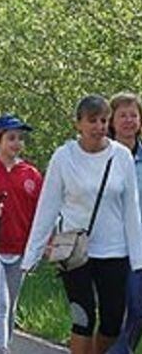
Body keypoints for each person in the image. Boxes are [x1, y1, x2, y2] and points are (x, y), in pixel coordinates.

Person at [22, 95, 142, 354]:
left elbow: (132, 211)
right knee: (83, 317)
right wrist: (31, 254)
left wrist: (138, 259)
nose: (99, 127)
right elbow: (47, 207)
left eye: (103, 120)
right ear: (78, 124)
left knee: (111, 321)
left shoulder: (121, 157)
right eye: (92, 121)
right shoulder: (64, 157)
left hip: (114, 250)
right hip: (76, 251)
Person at [0, 114, 42, 353]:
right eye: (11, 138)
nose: (16, 143)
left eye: (19, 139)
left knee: (11, 305)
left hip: (19, 248)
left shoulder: (31, 174)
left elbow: (39, 214)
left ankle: (5, 344)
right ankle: (0, 349)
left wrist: (40, 245)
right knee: (0, 304)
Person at [107, 92, 142, 353]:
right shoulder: (104, 156)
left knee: (138, 308)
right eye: (123, 115)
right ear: (112, 120)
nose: (129, 120)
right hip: (113, 245)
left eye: (134, 115)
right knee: (122, 307)